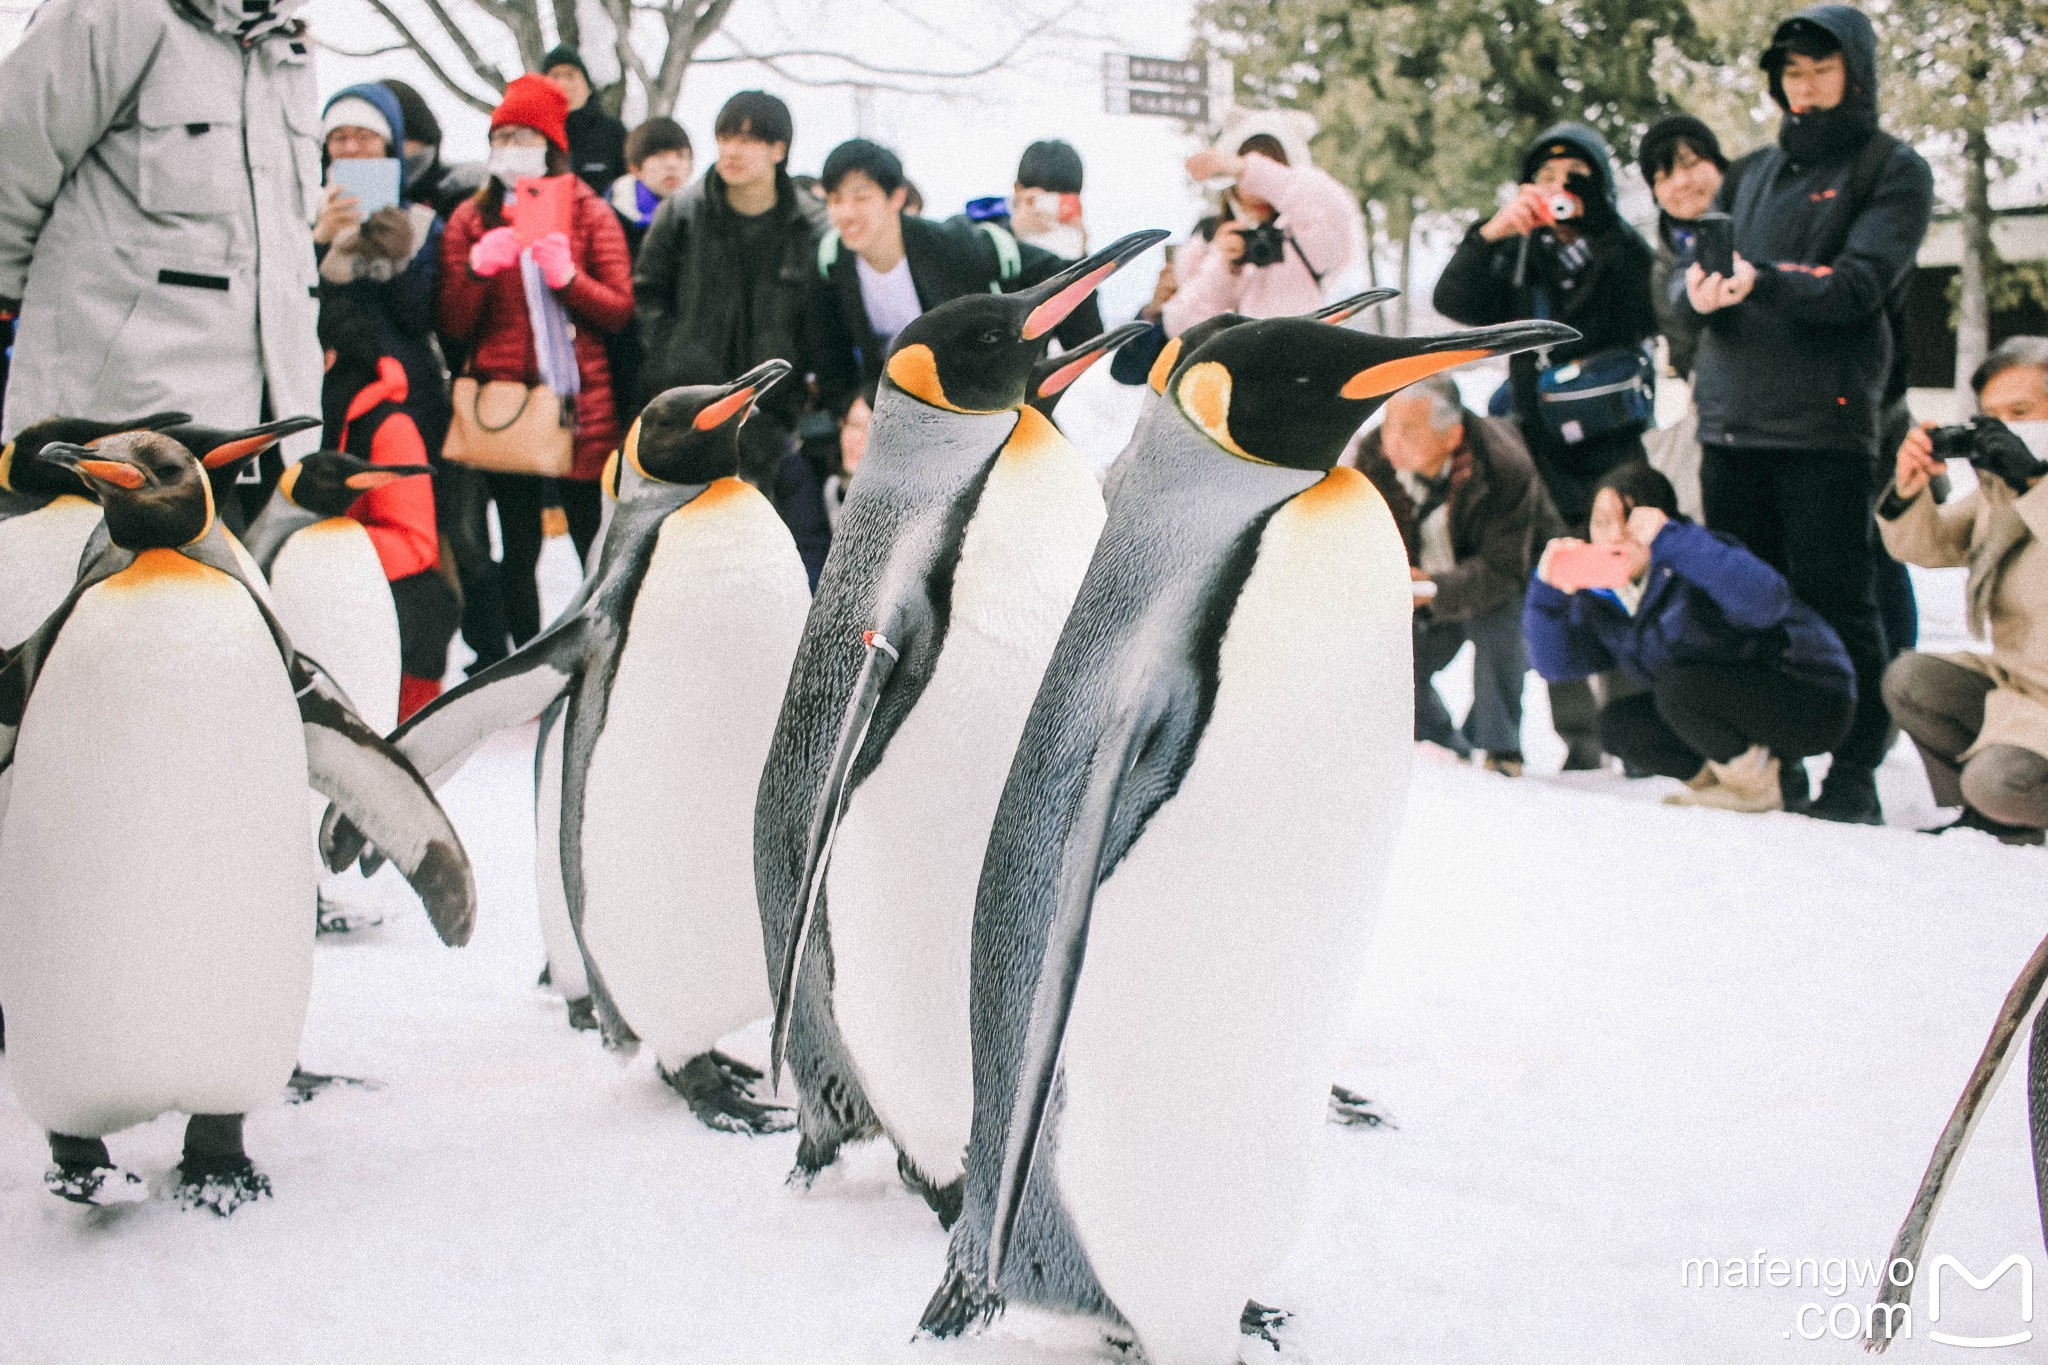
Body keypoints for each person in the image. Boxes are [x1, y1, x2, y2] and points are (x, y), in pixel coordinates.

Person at [1681, 4, 1934, 824]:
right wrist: (1702, 297)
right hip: (1730, 424)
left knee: (1838, 598)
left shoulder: (1891, 169)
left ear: (1856, 72)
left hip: (1825, 428)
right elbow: (1718, 287)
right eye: (1792, 73)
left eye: (1822, 70)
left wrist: (1766, 279)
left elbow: (1862, 286)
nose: (1806, 88)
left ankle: (1855, 768)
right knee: (1745, 603)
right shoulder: (1750, 171)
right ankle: (1775, 755)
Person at [0, 0, 324, 505]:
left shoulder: (285, 46)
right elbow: (11, 166)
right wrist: (18, 306)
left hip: (264, 433)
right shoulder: (113, 13)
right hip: (116, 430)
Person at [1526, 464, 1855, 814]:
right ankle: (1730, 785)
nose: (1615, 535)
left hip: (1814, 695)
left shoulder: (1694, 555)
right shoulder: (1605, 598)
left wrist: (1670, 538)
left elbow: (1767, 601)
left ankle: (1754, 789)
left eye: (1630, 520)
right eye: (1602, 523)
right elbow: (1555, 664)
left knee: (1678, 688)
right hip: (1726, 702)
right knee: (1620, 726)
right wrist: (1546, 590)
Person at [438, 75, 633, 651]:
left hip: (581, 404)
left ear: (550, 144)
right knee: (516, 546)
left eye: (525, 135)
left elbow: (620, 310)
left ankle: (602, 650)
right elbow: (451, 324)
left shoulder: (589, 211)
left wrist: (570, 281)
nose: (512, 147)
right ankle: (522, 653)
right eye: (502, 136)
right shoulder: (470, 218)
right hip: (507, 405)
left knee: (592, 541)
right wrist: (476, 271)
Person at [811, 138, 1105, 473]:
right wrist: (860, 406)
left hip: (985, 415)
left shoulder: (954, 245)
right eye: (835, 199)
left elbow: (1072, 304)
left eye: (860, 197)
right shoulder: (832, 264)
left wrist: (1078, 251)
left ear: (897, 196)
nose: (846, 213)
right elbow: (830, 363)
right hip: (895, 421)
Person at [1433, 122, 1657, 532]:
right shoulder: (1516, 255)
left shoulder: (1621, 250)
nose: (1561, 187)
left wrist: (1604, 220)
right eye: (1547, 178)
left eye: (1576, 176)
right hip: (1539, 446)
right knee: (1553, 568)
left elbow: (1651, 308)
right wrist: (1490, 235)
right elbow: (1451, 301)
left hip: (1614, 438)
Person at [1878, 338, 2048, 846]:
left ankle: (2006, 802)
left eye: (2021, 412)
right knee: (1910, 678)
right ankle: (1988, 816)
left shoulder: (2025, 484)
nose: (2006, 428)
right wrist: (1911, 487)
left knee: (1995, 782)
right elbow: (1929, 548)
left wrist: (2035, 485)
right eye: (1992, 417)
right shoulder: (2001, 491)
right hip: (2021, 687)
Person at [635, 90, 828, 500]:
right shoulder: (683, 211)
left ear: (779, 150)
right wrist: (672, 357)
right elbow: (648, 292)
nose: (731, 151)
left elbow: (821, 317)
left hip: (774, 416)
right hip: (691, 409)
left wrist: (799, 388)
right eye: (724, 137)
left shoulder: (811, 225)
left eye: (747, 140)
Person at [1357, 375, 1551, 775]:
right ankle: (1441, 740)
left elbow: (1503, 568)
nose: (1390, 438)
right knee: (1382, 657)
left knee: (1500, 631)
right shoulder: (1374, 457)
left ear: (1451, 435)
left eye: (1408, 429)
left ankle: (1501, 751)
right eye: (1388, 423)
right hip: (1414, 585)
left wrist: (1432, 586)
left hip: (1490, 582)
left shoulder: (1503, 464)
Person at [318, 290, 460, 720]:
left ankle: (407, 735)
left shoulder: (388, 426)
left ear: (329, 356)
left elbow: (414, 542)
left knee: (423, 603)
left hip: (379, 593)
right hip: (324, 589)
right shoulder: (307, 412)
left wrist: (321, 550)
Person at [313, 83, 450, 459]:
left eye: (365, 136)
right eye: (339, 137)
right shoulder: (300, 215)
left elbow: (423, 320)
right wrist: (319, 242)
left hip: (408, 392)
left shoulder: (421, 222)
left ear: (389, 144)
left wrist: (401, 262)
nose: (352, 147)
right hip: (326, 389)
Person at [1165, 113, 1357, 336]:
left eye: (1272, 168)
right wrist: (1225, 268)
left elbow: (1331, 203)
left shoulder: (1310, 237)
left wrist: (1242, 168)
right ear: (1231, 187)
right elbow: (1181, 326)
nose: (1257, 192)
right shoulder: (1213, 244)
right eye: (1245, 179)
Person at [1636, 113, 1729, 521]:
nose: (1680, 184)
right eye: (1662, 176)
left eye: (1691, 165)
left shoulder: (1765, 227)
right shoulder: (1660, 266)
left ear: (1719, 165)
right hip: (1719, 425)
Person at [542, 45, 629, 197]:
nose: (563, 83)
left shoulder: (613, 133)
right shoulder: (535, 136)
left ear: (588, 87)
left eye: (570, 75)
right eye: (555, 76)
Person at [609, 118, 693, 259]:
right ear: (635, 168)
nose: (672, 165)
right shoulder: (612, 217)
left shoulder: (698, 216)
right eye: (660, 156)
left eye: (681, 155)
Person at [1011, 139, 1088, 259]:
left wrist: (1081, 253)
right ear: (1018, 190)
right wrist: (1011, 232)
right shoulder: (985, 228)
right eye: (1044, 200)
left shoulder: (1072, 236)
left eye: (1062, 202)